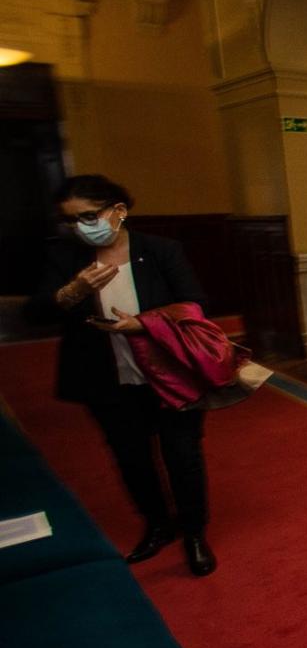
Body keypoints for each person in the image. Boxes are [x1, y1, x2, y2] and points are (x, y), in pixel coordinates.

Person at [28, 174, 218, 576]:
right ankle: (158, 525)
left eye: (89, 216)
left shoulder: (161, 250)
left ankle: (195, 534)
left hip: (169, 374)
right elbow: (37, 312)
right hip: (105, 377)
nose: (81, 226)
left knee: (182, 455)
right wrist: (74, 290)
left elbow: (195, 303)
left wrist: (144, 325)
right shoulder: (65, 256)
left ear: (118, 211)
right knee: (132, 458)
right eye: (72, 220)